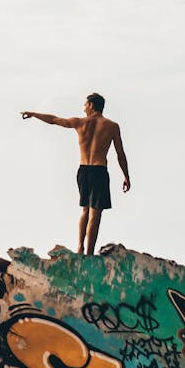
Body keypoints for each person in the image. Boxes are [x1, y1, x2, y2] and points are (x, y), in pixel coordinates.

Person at [21, 93, 130, 255]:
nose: (84, 108)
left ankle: (80, 247)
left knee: (85, 210)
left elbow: (53, 119)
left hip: (83, 171)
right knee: (95, 213)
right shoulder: (112, 126)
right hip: (99, 171)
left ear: (92, 105)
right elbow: (120, 153)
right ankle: (89, 253)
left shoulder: (79, 123)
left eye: (85, 104)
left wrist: (33, 114)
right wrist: (126, 176)